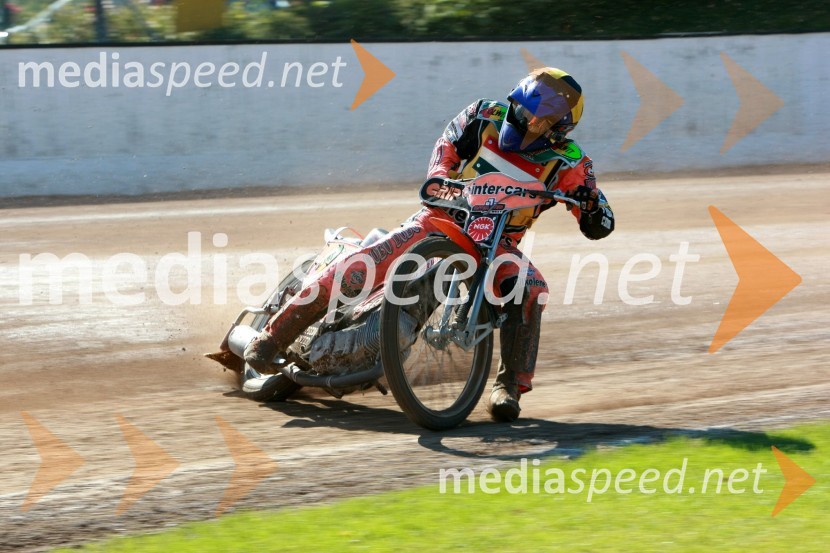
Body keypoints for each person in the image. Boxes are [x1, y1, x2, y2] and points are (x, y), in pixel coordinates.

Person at [245, 67, 615, 421]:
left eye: (541, 122)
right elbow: (448, 143)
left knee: (532, 290)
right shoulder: (483, 114)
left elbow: (600, 224)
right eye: (523, 110)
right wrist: (440, 175)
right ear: (515, 99)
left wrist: (591, 204)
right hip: (439, 220)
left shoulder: (571, 162)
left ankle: (509, 388)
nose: (527, 123)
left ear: (560, 129)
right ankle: (272, 337)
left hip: (498, 243)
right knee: (364, 266)